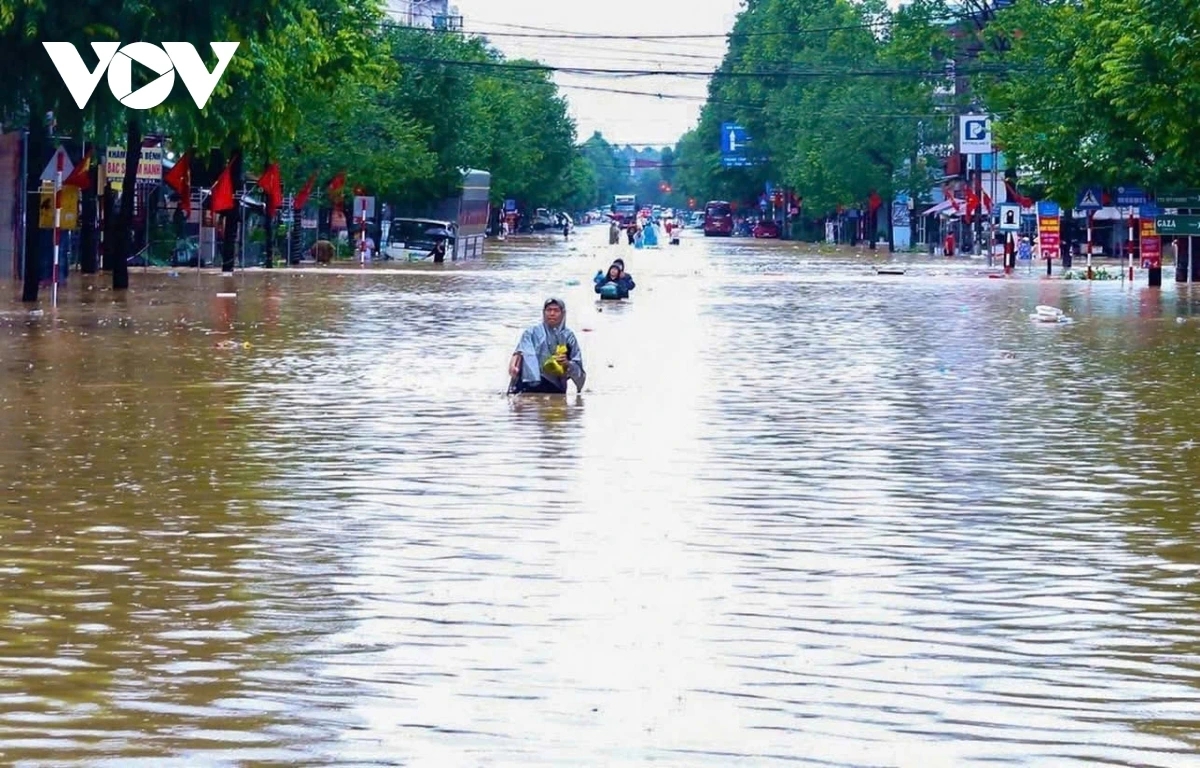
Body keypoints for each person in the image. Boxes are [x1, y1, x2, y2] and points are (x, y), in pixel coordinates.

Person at [508, 298, 586, 395]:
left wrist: (567, 363)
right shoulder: (531, 332)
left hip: (554, 386)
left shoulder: (568, 337)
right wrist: (513, 367)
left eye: (556, 310)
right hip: (526, 385)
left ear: (563, 313)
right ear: (544, 312)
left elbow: (578, 366)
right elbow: (519, 353)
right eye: (549, 310)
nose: (552, 313)